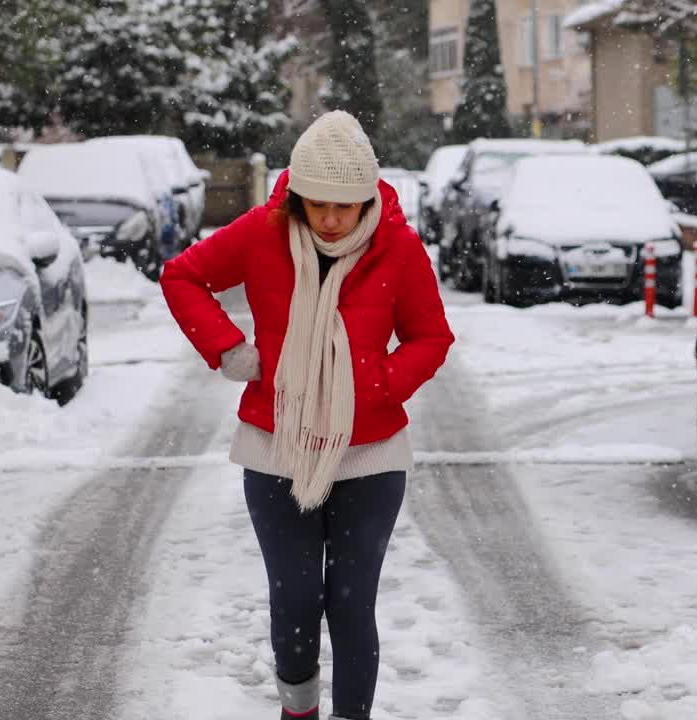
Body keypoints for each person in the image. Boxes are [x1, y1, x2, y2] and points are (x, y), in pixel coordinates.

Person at [161, 110, 454, 720]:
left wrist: (376, 381)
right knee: (294, 599)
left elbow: (431, 337)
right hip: (275, 446)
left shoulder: (397, 247)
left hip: (370, 454)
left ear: (367, 199)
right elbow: (183, 276)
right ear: (295, 195)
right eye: (315, 203)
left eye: (343, 207)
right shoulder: (262, 233)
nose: (328, 218)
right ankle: (299, 711)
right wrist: (231, 350)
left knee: (350, 605)